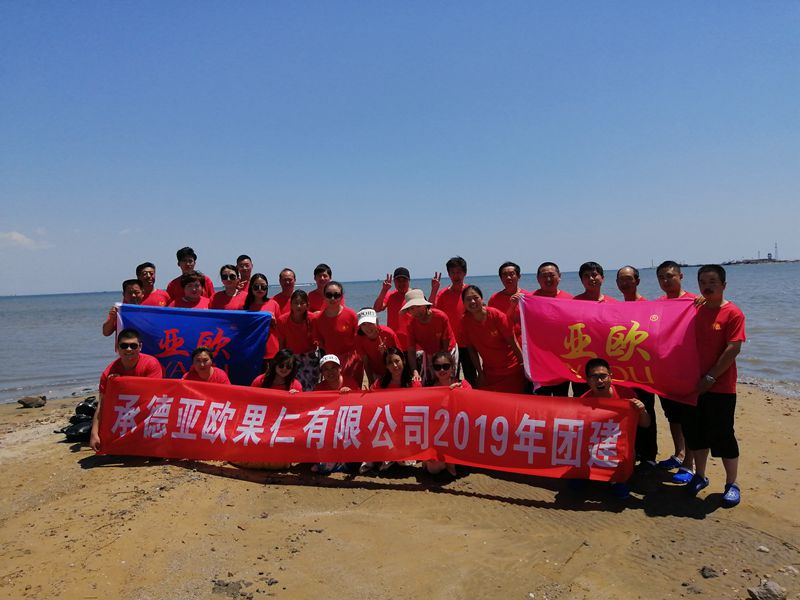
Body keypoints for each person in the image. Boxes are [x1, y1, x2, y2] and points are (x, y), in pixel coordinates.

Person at [681, 264, 745, 508]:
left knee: (723, 434)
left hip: (720, 386)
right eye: (702, 282)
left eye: (712, 282)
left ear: (723, 285)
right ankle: (700, 476)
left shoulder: (733, 313)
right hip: (692, 385)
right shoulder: (693, 309)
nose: (707, 287)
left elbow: (733, 349)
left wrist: (710, 377)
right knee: (695, 433)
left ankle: (732, 484)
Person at [579, 358, 651, 499]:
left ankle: (617, 480)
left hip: (618, 446)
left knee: (626, 456)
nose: (599, 381)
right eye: (594, 377)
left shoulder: (626, 395)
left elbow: (645, 424)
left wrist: (642, 410)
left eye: (603, 376)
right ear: (587, 380)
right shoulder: (584, 401)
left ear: (610, 376)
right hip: (594, 444)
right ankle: (582, 475)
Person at [654, 260, 698, 480]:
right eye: (661, 277)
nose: (666, 280)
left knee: (688, 418)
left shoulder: (695, 302)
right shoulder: (657, 305)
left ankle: (689, 463)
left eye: (670, 276)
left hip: (687, 371)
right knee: (672, 416)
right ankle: (679, 454)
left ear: (680, 276)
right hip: (665, 371)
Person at [90, 328, 163, 452]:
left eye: (133, 346)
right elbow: (102, 405)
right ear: (117, 348)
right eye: (124, 346)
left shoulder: (151, 364)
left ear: (140, 347)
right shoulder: (109, 372)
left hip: (146, 411)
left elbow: (153, 396)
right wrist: (94, 433)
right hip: (124, 413)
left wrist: (122, 384)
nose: (128, 349)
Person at [616, 265, 656, 468]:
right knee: (626, 411)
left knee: (646, 410)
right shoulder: (617, 308)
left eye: (629, 279)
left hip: (644, 372)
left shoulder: (649, 307)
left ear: (637, 281)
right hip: (622, 372)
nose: (625, 283)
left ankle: (649, 456)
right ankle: (633, 451)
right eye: (621, 280)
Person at [460, 285, 527, 393]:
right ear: (463, 303)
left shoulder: (496, 315)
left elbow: (513, 343)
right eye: (468, 299)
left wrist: (524, 366)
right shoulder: (464, 322)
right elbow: (472, 351)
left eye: (475, 298)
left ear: (482, 299)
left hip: (511, 369)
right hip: (490, 372)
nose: (472, 301)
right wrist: (480, 373)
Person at [429, 256, 477, 387]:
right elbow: (431, 311)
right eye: (453, 272)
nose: (456, 276)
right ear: (449, 274)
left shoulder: (471, 292)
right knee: (450, 378)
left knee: (471, 377)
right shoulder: (443, 294)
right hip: (450, 344)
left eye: (459, 272)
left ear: (465, 273)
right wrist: (434, 290)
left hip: (469, 343)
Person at [571, 262, 616, 395]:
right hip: (582, 363)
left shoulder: (614, 304)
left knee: (609, 398)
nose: (591, 279)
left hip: (607, 361)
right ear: (581, 280)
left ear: (602, 278)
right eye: (586, 276)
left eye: (594, 275)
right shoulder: (572, 304)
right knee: (582, 399)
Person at [529, 262, 573, 397]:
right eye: (544, 276)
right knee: (541, 400)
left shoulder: (570, 300)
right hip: (539, 358)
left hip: (562, 358)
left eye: (552, 275)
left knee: (562, 397)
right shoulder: (529, 300)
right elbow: (517, 324)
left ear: (559, 276)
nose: (548, 279)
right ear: (538, 279)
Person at [421, 352, 467, 477]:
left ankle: (451, 463)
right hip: (437, 437)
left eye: (445, 366)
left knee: (434, 467)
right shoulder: (429, 388)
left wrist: (459, 393)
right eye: (437, 367)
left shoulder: (463, 385)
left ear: (452, 367)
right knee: (433, 468)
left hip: (459, 437)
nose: (442, 370)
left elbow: (473, 406)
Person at [401, 289, 457, 385]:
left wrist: (443, 363)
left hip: (448, 349)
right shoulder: (411, 325)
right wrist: (414, 370)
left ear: (425, 305)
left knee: (448, 378)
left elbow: (445, 344)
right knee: (431, 380)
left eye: (418, 306)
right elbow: (411, 350)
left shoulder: (440, 317)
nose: (416, 311)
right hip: (429, 352)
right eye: (411, 308)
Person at [312, 281, 363, 388]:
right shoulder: (318, 319)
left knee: (353, 390)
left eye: (336, 295)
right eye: (329, 295)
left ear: (341, 296)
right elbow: (320, 342)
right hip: (332, 363)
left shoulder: (351, 315)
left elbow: (359, 340)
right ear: (324, 296)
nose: (332, 298)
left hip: (352, 361)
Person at [275, 290, 319, 391]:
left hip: (310, 358)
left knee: (310, 389)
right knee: (294, 388)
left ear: (307, 305)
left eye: (302, 303)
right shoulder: (282, 320)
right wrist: (281, 361)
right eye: (296, 303)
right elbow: (281, 343)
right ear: (291, 304)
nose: (299, 306)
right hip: (292, 358)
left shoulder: (313, 319)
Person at [354, 308, 400, 387]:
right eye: (363, 324)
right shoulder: (359, 338)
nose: (367, 327)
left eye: (370, 323)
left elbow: (400, 359)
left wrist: (386, 354)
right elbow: (366, 362)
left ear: (377, 321)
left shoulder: (388, 333)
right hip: (375, 373)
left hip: (392, 371)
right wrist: (371, 382)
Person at [243, 273, 281, 360]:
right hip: (253, 349)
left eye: (263, 286)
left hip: (272, 349)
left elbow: (280, 329)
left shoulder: (273, 304)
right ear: (251, 288)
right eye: (256, 287)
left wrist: (274, 321)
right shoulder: (246, 306)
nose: (260, 289)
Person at [373, 267, 413, 350]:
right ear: (394, 281)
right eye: (398, 280)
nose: (401, 283)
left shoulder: (415, 295)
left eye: (404, 280)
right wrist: (384, 290)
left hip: (413, 343)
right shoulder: (390, 295)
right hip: (394, 343)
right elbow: (377, 309)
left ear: (409, 281)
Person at [488, 261, 527, 342]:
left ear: (519, 276)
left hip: (525, 342)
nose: (508, 277)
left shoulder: (528, 297)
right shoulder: (494, 299)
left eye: (512, 274)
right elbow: (492, 324)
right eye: (504, 275)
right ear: (501, 278)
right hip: (504, 341)